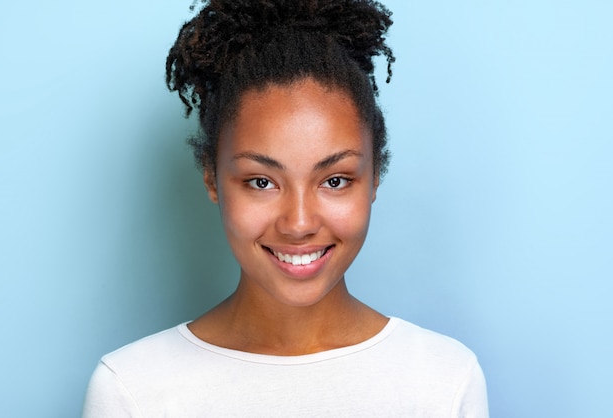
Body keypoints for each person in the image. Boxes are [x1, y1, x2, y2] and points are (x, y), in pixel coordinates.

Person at [82, 0, 488, 416]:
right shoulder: (132, 389)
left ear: (375, 178)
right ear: (212, 178)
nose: (298, 224)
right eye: (262, 182)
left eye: (334, 181)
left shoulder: (444, 379)